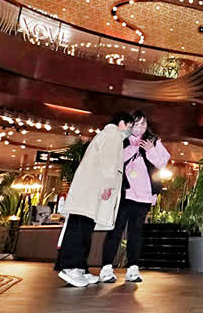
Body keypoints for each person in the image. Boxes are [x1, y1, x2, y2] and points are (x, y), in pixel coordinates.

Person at [55, 112, 134, 287]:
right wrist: (108, 185)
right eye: (130, 126)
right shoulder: (113, 134)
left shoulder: (108, 135)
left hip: (90, 191)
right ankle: (71, 267)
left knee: (84, 228)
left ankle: (80, 268)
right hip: (90, 190)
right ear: (122, 123)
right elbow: (108, 161)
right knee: (79, 228)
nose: (130, 130)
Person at [99, 112, 171, 284]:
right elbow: (113, 162)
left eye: (143, 124)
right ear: (130, 125)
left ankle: (133, 268)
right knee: (116, 230)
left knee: (136, 233)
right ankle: (106, 268)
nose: (140, 128)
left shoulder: (153, 141)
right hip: (124, 193)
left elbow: (162, 162)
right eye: (136, 124)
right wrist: (133, 148)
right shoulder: (121, 139)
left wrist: (150, 150)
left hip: (144, 195)